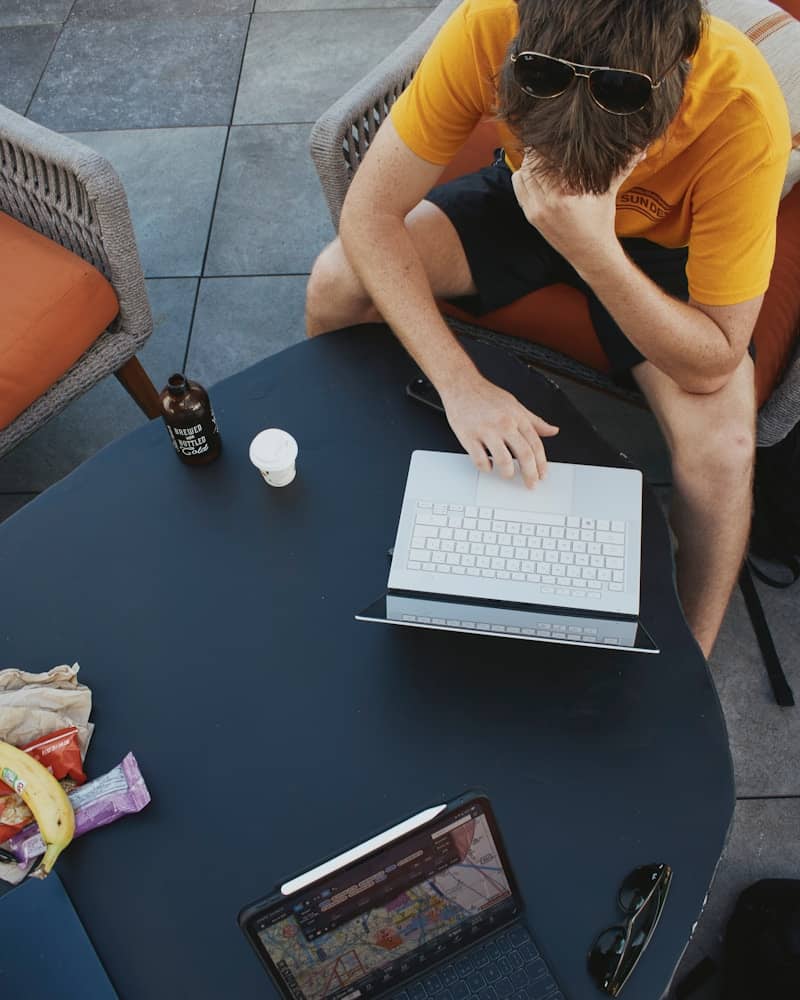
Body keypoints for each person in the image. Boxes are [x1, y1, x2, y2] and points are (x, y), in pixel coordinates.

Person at [305, 0, 791, 658]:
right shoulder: (489, 24)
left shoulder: (740, 106)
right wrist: (460, 384)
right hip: (520, 198)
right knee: (335, 281)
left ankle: (689, 662)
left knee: (725, 452)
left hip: (661, 252)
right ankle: (371, 489)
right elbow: (367, 216)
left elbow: (713, 359)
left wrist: (595, 251)